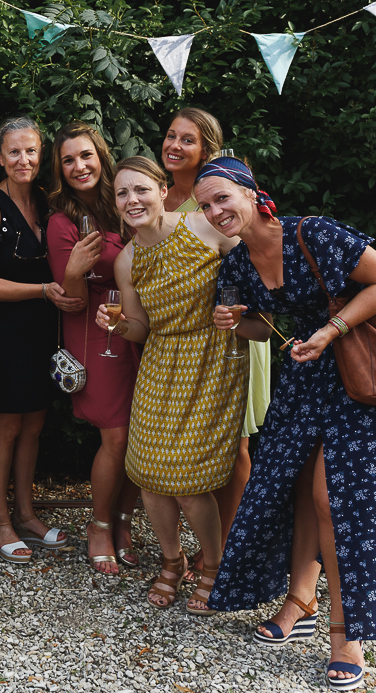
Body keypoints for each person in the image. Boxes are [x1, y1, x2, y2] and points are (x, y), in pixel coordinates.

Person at [199, 157, 376, 691]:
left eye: (223, 198)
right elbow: (254, 331)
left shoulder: (312, 234)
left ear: (251, 193)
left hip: (356, 382)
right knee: (296, 491)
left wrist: (333, 329)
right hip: (302, 383)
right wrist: (234, 322)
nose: (215, 211)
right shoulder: (237, 265)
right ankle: (301, 599)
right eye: (205, 205)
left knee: (330, 499)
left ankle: (347, 637)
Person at [96, 156, 243, 614]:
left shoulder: (205, 227)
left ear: (162, 189)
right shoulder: (128, 258)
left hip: (213, 357)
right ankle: (173, 561)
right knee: (146, 472)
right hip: (161, 361)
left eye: (140, 189)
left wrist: (242, 312)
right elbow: (139, 325)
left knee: (186, 478)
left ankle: (215, 567)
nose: (132, 200)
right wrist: (119, 329)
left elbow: (254, 279)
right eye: (122, 193)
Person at [159, 107, 272, 580]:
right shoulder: (155, 199)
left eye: (188, 140)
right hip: (183, 345)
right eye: (170, 136)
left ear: (208, 151)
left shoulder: (223, 199)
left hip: (233, 334)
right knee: (188, 448)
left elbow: (256, 264)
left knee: (236, 445)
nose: (175, 146)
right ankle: (202, 546)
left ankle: (225, 550)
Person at [0, 117, 81, 564]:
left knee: (34, 423)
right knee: (8, 424)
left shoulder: (49, 203)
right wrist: (44, 291)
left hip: (43, 332)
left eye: (31, 151)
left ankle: (27, 513)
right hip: (3, 333)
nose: (23, 160)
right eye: (14, 152)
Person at [44, 122, 140, 575]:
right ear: (59, 170)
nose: (79, 166)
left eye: (85, 156)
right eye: (68, 160)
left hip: (142, 327)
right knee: (116, 436)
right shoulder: (61, 221)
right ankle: (98, 524)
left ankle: (123, 522)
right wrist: (76, 269)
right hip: (97, 332)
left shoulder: (123, 202)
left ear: (101, 156)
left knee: (142, 436)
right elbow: (74, 298)